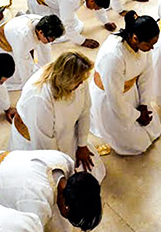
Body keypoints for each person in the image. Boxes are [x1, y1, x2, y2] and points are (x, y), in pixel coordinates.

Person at [10, 52, 104, 181]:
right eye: (78, 82)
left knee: (90, 170)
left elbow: (85, 112)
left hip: (66, 133)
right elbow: (44, 140)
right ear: (66, 80)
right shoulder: (39, 97)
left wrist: (82, 144)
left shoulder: (79, 80)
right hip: (38, 141)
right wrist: (61, 168)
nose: (81, 85)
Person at [89, 12, 161, 156]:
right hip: (109, 100)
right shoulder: (114, 56)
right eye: (149, 45)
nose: (152, 49)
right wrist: (137, 115)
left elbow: (147, 74)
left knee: (153, 127)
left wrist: (144, 105)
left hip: (130, 92)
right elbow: (114, 99)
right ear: (135, 38)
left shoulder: (143, 45)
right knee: (137, 144)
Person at [0, 14, 64, 91]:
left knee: (34, 69)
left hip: (14, 40)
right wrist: (29, 83)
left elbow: (45, 50)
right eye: (50, 39)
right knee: (18, 77)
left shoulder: (41, 24)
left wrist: (48, 70)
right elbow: (22, 63)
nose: (51, 42)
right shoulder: (23, 37)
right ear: (40, 32)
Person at [26, 0, 109, 48]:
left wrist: (105, 21)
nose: (96, 10)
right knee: (60, 34)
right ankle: (26, 15)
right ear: (91, 1)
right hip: (40, 4)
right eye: (96, 7)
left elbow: (99, 0)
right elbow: (67, 24)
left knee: (77, 26)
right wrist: (82, 41)